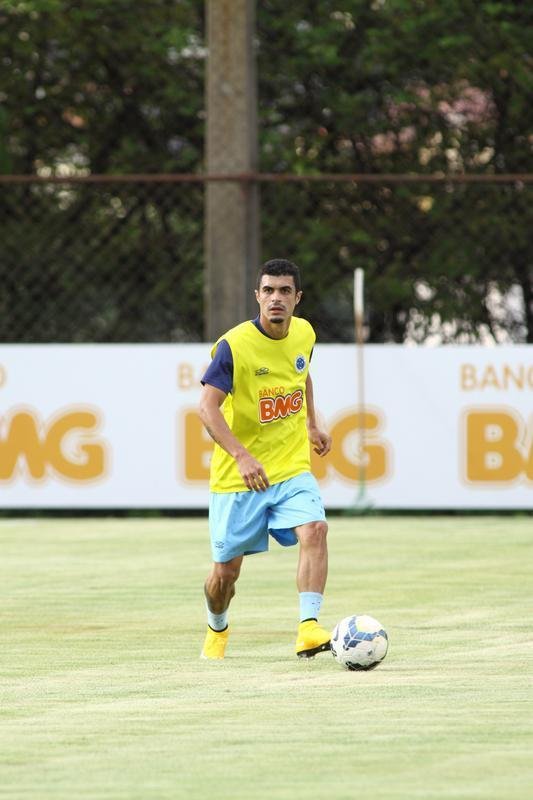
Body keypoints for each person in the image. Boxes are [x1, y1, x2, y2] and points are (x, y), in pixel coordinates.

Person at [199, 258, 332, 660]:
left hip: (291, 468)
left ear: (297, 298)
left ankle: (308, 628)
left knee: (316, 530)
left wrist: (312, 424)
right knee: (225, 575)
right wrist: (241, 456)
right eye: (269, 290)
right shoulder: (233, 346)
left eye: (285, 291)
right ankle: (217, 626)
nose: (276, 298)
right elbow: (206, 408)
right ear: (257, 296)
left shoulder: (305, 333)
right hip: (239, 479)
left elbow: (301, 374)